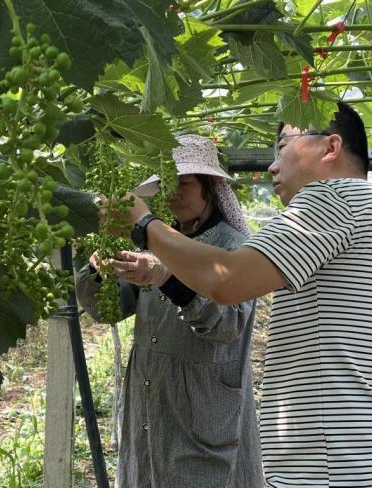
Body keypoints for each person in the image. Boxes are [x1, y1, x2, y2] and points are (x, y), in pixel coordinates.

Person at [122, 102, 372, 488]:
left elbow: (227, 281)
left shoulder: (334, 198)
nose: (271, 166)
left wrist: (143, 223)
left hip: (333, 472)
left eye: (282, 146)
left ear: (330, 148)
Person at [75, 134, 265, 488]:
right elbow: (108, 310)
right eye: (167, 183)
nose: (174, 192)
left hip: (203, 407)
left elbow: (226, 324)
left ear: (211, 187)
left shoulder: (236, 248)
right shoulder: (160, 240)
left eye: (185, 183)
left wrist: (166, 275)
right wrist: (99, 271)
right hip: (152, 396)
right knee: (148, 471)